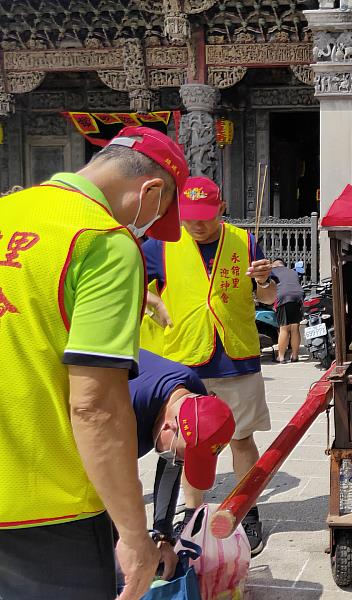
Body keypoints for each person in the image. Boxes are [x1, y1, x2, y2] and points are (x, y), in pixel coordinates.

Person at [0, 126, 188, 600]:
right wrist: (133, 534)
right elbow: (95, 407)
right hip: (45, 509)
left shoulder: (7, 209)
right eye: (154, 218)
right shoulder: (102, 241)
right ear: (150, 192)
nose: (142, 231)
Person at [141, 175, 275, 556]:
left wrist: (265, 281)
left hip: (236, 354)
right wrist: (155, 303)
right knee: (187, 444)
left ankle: (245, 509)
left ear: (221, 207)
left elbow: (266, 297)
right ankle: (193, 512)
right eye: (189, 216)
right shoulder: (160, 244)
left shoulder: (244, 241)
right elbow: (130, 282)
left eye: (205, 215)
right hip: (185, 359)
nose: (197, 224)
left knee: (242, 437)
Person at [130, 350, 234, 540]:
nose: (178, 462)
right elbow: (108, 483)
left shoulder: (195, 399)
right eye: (179, 456)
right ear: (169, 426)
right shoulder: (127, 410)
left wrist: (162, 534)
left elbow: (171, 467)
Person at [271, 258, 305, 363]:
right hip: (298, 297)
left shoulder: (272, 272)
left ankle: (280, 357)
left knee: (284, 328)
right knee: (295, 328)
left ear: (274, 265)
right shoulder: (292, 271)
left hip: (283, 297)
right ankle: (295, 356)